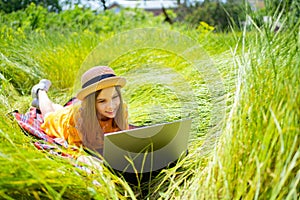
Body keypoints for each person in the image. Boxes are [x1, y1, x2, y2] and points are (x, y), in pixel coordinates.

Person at [30, 66, 129, 156]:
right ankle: (41, 90)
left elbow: (122, 138)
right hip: (65, 123)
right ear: (91, 103)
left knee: (60, 110)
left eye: (115, 97)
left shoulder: (122, 109)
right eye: (102, 101)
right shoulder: (79, 118)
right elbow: (75, 150)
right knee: (49, 115)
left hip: (71, 112)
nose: (111, 107)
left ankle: (42, 103)